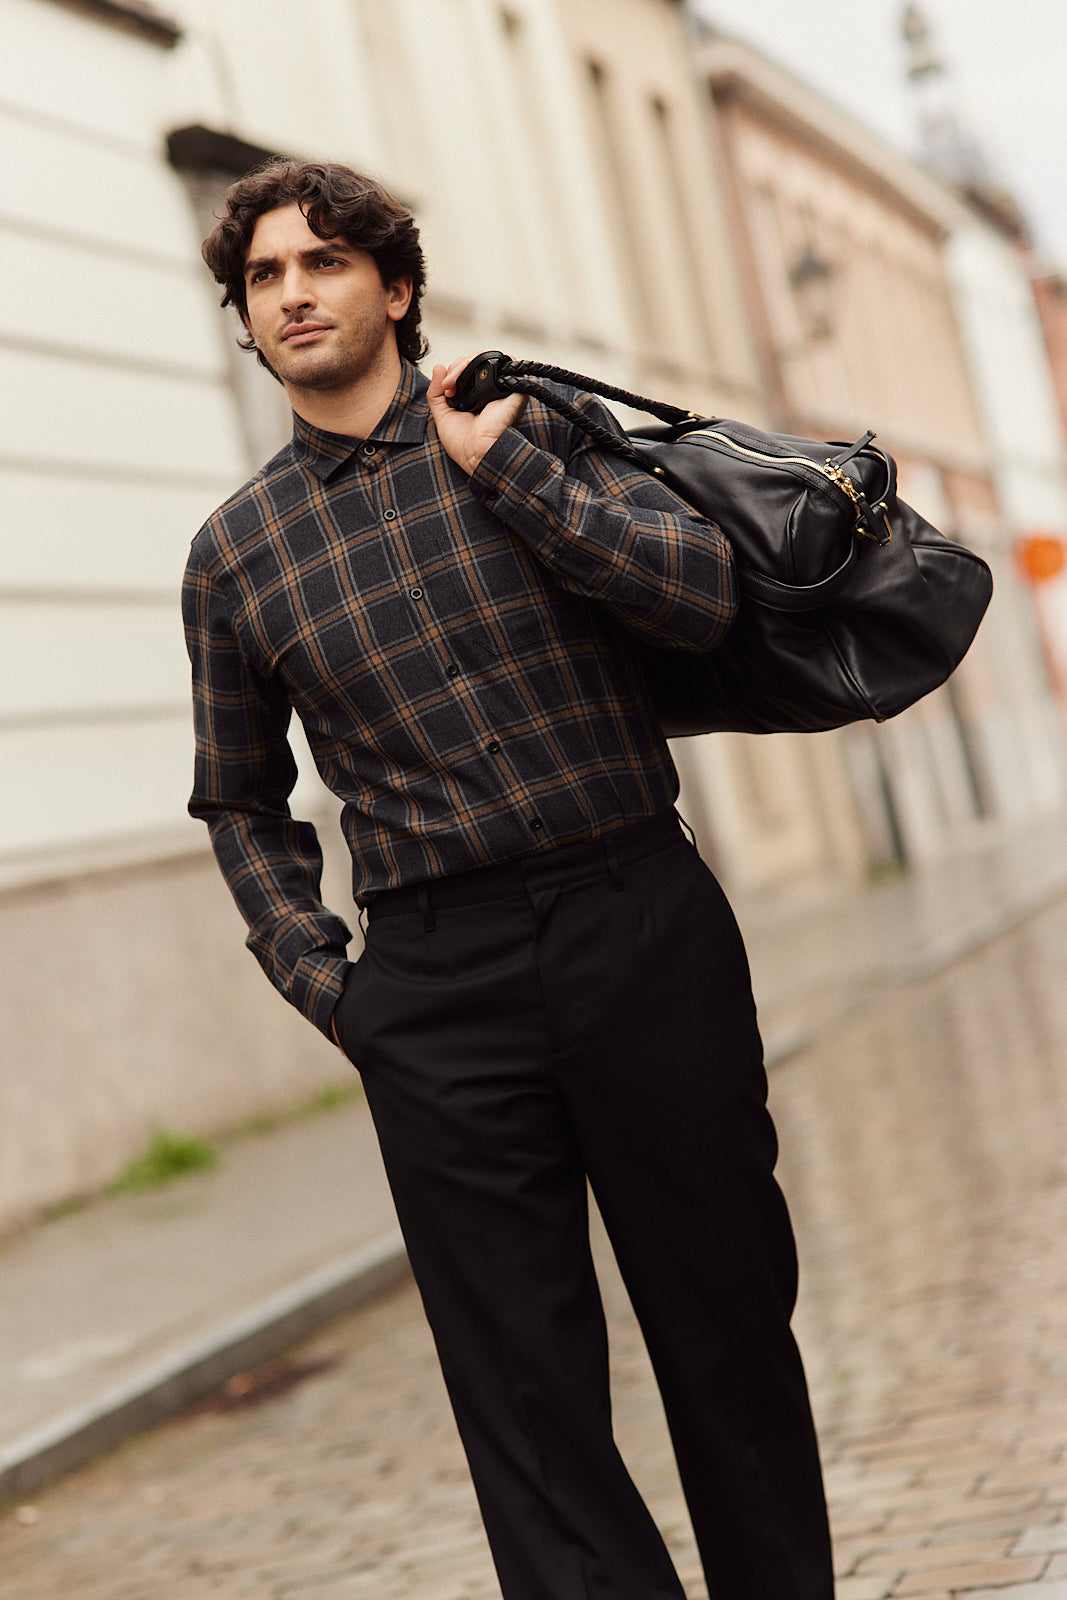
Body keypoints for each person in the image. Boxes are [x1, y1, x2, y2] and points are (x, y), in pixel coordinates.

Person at [183, 159, 834, 1600]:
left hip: (637, 919)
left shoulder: (529, 427)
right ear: (245, 318)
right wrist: (340, 994)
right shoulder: (234, 555)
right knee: (525, 1402)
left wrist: (516, 473)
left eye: (324, 263)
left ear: (396, 288)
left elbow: (698, 594)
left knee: (725, 1328)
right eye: (264, 278)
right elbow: (238, 799)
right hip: (433, 981)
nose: (292, 292)